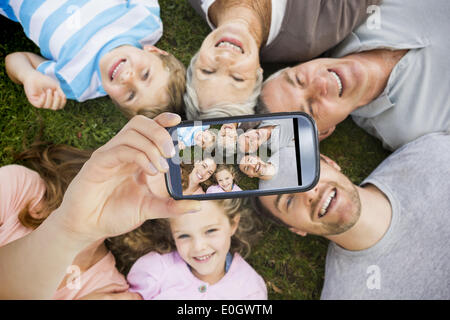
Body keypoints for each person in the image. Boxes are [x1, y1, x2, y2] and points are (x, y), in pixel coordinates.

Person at [0, 113, 202, 299]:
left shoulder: (108, 289)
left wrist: (74, 230)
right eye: (154, 160)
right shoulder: (18, 189)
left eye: (177, 183)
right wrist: (69, 228)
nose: (150, 179)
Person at [253, 132, 450, 299]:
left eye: (306, 171)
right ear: (296, 229)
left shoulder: (433, 156)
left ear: (330, 163)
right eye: (289, 200)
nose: (309, 192)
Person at [258, 0, 450, 150]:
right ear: (323, 132)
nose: (319, 85)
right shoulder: (410, 130)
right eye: (310, 110)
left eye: (299, 80)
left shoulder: (343, 14)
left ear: (301, 63)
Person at [184, 0, 380, 119]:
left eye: (207, 71)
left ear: (195, 60)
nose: (225, 59)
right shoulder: (311, 34)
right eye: (237, 78)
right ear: (257, 73)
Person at [2, 0, 186, 118]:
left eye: (131, 95)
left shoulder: (75, 83)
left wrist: (28, 76)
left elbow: (16, 58)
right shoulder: (146, 21)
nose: (128, 78)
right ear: (155, 51)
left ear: (116, 102)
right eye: (145, 75)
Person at [121, 196, 266, 299]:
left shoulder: (250, 290)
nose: (198, 247)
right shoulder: (155, 271)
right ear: (172, 233)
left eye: (211, 231)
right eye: (184, 236)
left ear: (233, 224)